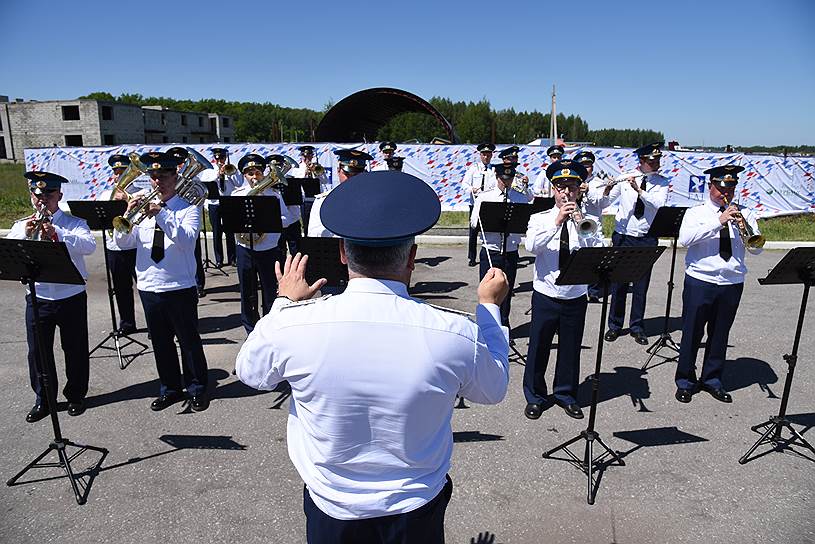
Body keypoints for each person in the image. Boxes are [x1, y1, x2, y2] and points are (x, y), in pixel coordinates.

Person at [236, 171, 510, 543]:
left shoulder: (291, 326)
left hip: (332, 507)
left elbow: (251, 372)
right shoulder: (454, 333)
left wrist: (283, 303)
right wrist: (489, 308)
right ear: (412, 256)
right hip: (415, 507)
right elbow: (493, 389)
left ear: (342, 253)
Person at [114, 151, 210, 412]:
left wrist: (160, 214)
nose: (158, 181)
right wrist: (127, 219)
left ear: (175, 177)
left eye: (164, 176)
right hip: (149, 286)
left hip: (179, 286)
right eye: (153, 176)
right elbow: (123, 244)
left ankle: (197, 388)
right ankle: (170, 389)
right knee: (161, 343)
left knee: (188, 342)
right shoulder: (141, 208)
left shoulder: (189, 208)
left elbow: (186, 241)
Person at [8, 171, 97, 421]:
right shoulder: (21, 225)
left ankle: (76, 395)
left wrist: (57, 233)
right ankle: (44, 399)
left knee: (75, 349)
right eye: (37, 194)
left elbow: (89, 246)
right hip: (38, 297)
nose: (42, 199)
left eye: (48, 194)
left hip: (71, 296)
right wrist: (27, 233)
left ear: (59, 195)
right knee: (38, 352)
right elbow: (9, 251)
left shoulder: (74, 223)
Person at [674, 165, 762, 404]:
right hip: (700, 280)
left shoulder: (745, 213)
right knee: (691, 332)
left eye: (731, 187)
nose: (727, 192)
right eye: (722, 187)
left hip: (732, 282)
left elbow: (756, 249)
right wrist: (719, 221)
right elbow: (685, 240)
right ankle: (685, 381)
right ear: (710, 186)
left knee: (720, 334)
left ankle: (712, 380)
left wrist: (745, 227)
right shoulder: (696, 212)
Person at [523, 160, 603, 420]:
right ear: (553, 190)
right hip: (546, 294)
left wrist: (583, 226)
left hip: (575, 296)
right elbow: (532, 247)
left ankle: (566, 394)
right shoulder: (540, 218)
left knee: (570, 348)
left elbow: (597, 253)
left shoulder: (590, 221)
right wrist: (557, 220)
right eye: (560, 187)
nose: (565, 192)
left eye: (571, 186)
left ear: (580, 190)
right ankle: (535, 396)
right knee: (539, 347)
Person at [602, 142, 669, 345]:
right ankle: (614, 325)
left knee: (641, 285)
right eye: (652, 161)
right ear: (642, 161)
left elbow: (658, 205)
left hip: (647, 237)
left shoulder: (661, 182)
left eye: (657, 160)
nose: (656, 163)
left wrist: (639, 191)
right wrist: (608, 187)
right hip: (624, 236)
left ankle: (637, 326)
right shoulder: (626, 177)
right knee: (619, 283)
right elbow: (606, 202)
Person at [232, 153, 295, 333]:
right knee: (247, 290)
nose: (254, 177)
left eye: (257, 172)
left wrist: (269, 219)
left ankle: (269, 327)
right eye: (250, 173)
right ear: (244, 175)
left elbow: (288, 218)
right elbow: (230, 219)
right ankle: (250, 329)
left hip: (268, 248)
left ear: (263, 173)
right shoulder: (238, 194)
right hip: (244, 248)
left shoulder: (273, 195)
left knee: (270, 289)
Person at [471, 163, 533, 328]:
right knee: (487, 291)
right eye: (502, 179)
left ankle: (504, 325)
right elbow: (474, 222)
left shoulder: (520, 198)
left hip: (510, 251)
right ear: (497, 177)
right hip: (490, 250)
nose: (506, 182)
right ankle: (486, 326)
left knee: (506, 290)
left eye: (509, 179)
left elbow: (525, 222)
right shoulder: (485, 197)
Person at [104, 154, 139, 333]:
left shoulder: (139, 194)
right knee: (121, 287)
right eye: (116, 172)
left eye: (123, 172)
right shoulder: (106, 194)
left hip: (135, 246)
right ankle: (127, 323)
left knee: (144, 287)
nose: (119, 176)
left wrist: (127, 202)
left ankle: (156, 324)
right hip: (113, 247)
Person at [167, 146, 206, 298]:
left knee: (193, 253)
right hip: (169, 220)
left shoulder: (193, 180)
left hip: (187, 220)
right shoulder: (166, 181)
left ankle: (198, 283)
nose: (178, 167)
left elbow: (200, 201)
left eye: (181, 162)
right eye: (175, 163)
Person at [307, 149, 372, 238]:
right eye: (347, 174)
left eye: (356, 175)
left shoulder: (372, 200)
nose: (351, 179)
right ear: (338, 171)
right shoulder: (322, 201)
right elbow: (315, 234)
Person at [573, 150, 607, 302]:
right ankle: (576, 287)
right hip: (575, 224)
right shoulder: (572, 181)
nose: (587, 169)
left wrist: (589, 191)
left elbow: (603, 203)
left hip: (593, 225)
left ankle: (593, 291)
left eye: (589, 166)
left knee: (594, 258)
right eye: (583, 166)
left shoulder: (598, 183)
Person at [461, 143, 496, 267]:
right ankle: (472, 257)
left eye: (488, 154)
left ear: (492, 155)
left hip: (489, 204)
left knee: (489, 231)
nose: (486, 157)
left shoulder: (494, 169)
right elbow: (464, 184)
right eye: (484, 154)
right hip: (475, 204)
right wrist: (472, 189)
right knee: (473, 231)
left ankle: (488, 254)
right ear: (480, 155)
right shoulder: (473, 168)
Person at [207, 147, 241, 268]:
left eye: (222, 158)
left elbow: (239, 183)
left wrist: (231, 173)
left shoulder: (231, 169)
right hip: (214, 203)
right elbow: (207, 182)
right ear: (214, 159)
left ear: (225, 158)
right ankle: (219, 259)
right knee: (216, 232)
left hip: (228, 202)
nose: (220, 160)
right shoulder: (210, 170)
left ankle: (233, 258)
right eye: (217, 158)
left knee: (230, 232)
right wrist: (218, 174)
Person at [267, 154, 302, 258]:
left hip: (293, 218)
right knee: (279, 249)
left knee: (296, 248)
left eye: (279, 166)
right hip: (277, 220)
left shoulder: (292, 180)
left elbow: (301, 198)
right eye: (273, 167)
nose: (277, 169)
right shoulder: (266, 183)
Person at [289, 145, 330, 233]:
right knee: (306, 223)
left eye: (309, 156)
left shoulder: (317, 167)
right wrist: (306, 170)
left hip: (317, 198)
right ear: (302, 156)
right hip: (305, 200)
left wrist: (317, 172)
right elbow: (297, 179)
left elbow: (325, 181)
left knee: (317, 223)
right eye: (305, 156)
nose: (308, 158)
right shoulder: (297, 168)